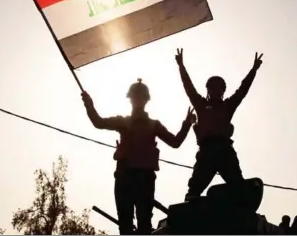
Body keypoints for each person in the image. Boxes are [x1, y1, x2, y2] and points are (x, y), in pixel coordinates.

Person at [81, 78, 196, 235]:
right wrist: (89, 104)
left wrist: (187, 124)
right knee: (125, 225)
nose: (137, 100)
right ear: (130, 99)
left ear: (146, 100)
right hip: (124, 177)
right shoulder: (123, 121)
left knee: (144, 226)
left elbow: (175, 142)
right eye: (134, 97)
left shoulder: (154, 124)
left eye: (140, 97)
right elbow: (98, 122)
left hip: (145, 179)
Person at [175, 48, 263, 203]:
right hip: (206, 151)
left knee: (237, 185)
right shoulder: (201, 105)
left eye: (219, 89)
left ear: (222, 91)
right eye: (213, 88)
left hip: (224, 151)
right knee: (194, 190)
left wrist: (254, 70)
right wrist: (181, 66)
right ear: (209, 90)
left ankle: (240, 207)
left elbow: (242, 90)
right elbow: (189, 88)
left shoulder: (228, 106)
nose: (216, 91)